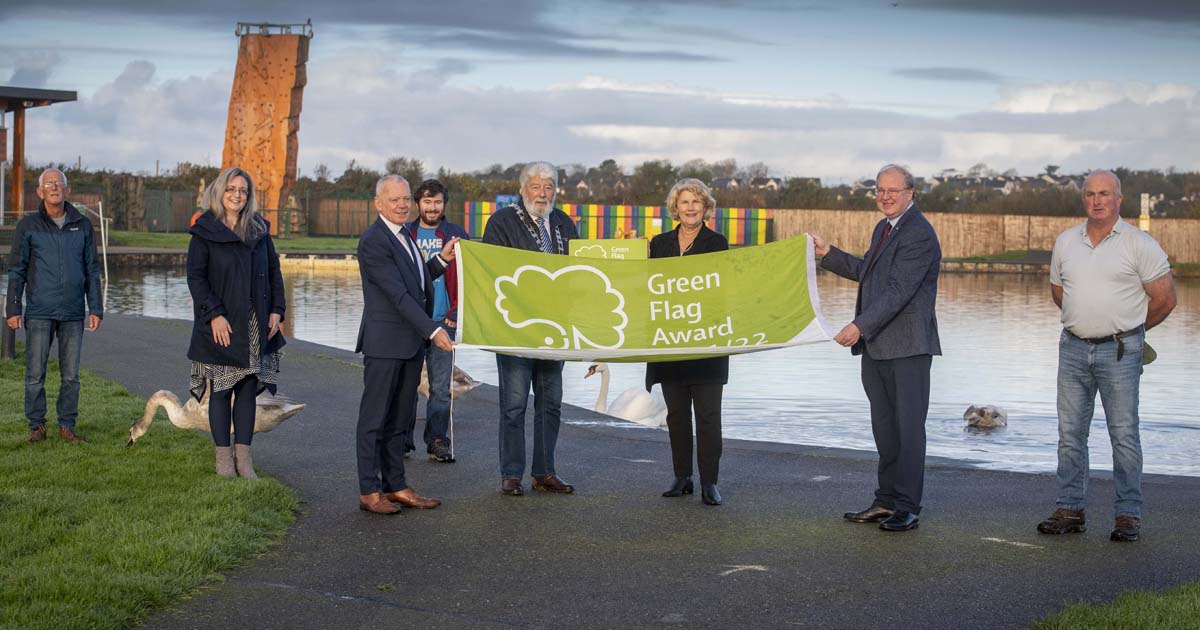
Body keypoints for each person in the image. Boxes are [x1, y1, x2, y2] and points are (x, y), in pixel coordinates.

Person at [1037, 170, 1176, 543]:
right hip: (1073, 349)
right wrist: (1085, 320)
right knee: (1070, 435)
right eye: (1090, 194)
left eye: (1104, 194)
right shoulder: (1066, 242)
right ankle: (1070, 509)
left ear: (1119, 199)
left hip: (1121, 351)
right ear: (1083, 199)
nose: (1097, 200)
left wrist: (1130, 330)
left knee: (1124, 434)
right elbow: (1057, 291)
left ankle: (1128, 515)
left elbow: (1165, 299)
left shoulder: (1139, 244)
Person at [809, 164, 941, 532]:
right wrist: (828, 252)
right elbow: (869, 271)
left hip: (908, 348)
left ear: (911, 193)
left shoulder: (919, 233)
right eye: (880, 190)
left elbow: (899, 291)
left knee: (909, 429)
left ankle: (907, 507)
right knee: (885, 428)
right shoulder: (884, 228)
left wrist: (858, 325)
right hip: (878, 348)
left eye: (892, 190)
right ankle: (885, 501)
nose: (885, 196)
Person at [355, 174, 457, 515]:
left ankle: (396, 486)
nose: (402, 205)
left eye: (405, 199)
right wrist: (433, 330)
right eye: (394, 199)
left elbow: (416, 281)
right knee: (375, 420)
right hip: (385, 344)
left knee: (400, 421)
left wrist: (440, 261)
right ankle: (370, 491)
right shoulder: (374, 240)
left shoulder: (405, 235)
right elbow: (397, 294)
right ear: (378, 204)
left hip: (408, 345)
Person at [481, 161, 579, 496]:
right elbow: (489, 270)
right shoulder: (502, 222)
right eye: (536, 186)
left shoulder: (564, 223)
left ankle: (545, 471)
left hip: (556, 328)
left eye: (549, 187)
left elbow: (580, 271)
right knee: (514, 403)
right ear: (523, 189)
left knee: (551, 402)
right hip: (516, 326)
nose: (542, 193)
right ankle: (511, 473)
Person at [186, 167, 286, 478]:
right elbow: (196, 279)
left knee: (246, 390)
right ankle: (223, 463)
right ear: (219, 192)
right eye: (231, 189)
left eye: (243, 190)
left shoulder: (259, 229)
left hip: (255, 323)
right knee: (221, 390)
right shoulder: (205, 230)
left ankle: (244, 461)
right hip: (221, 325)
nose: (237, 195)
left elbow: (273, 272)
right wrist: (214, 314)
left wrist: (276, 310)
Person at [646, 178, 730, 506]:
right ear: (675, 208)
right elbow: (645, 286)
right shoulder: (659, 244)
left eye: (697, 202)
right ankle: (682, 477)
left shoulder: (717, 242)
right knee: (676, 416)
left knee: (708, 416)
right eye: (685, 202)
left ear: (705, 207)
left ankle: (710, 481)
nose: (691, 208)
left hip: (706, 343)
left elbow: (721, 289)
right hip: (669, 343)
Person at [7, 168, 103, 444]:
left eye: (58, 184)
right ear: (39, 192)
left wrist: (95, 308)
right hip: (39, 312)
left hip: (73, 313)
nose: (53, 188)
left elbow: (92, 269)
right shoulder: (28, 226)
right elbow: (17, 270)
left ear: (67, 190)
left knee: (71, 376)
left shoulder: (82, 225)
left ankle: (67, 427)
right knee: (35, 374)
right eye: (48, 184)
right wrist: (13, 309)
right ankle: (37, 426)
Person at [402, 179, 470, 463]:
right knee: (405, 385)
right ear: (418, 204)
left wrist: (456, 314)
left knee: (441, 388)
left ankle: (438, 440)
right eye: (427, 202)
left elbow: (470, 277)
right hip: (412, 322)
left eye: (438, 202)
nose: (433, 207)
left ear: (444, 204)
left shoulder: (455, 234)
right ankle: (402, 440)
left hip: (444, 322)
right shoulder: (407, 233)